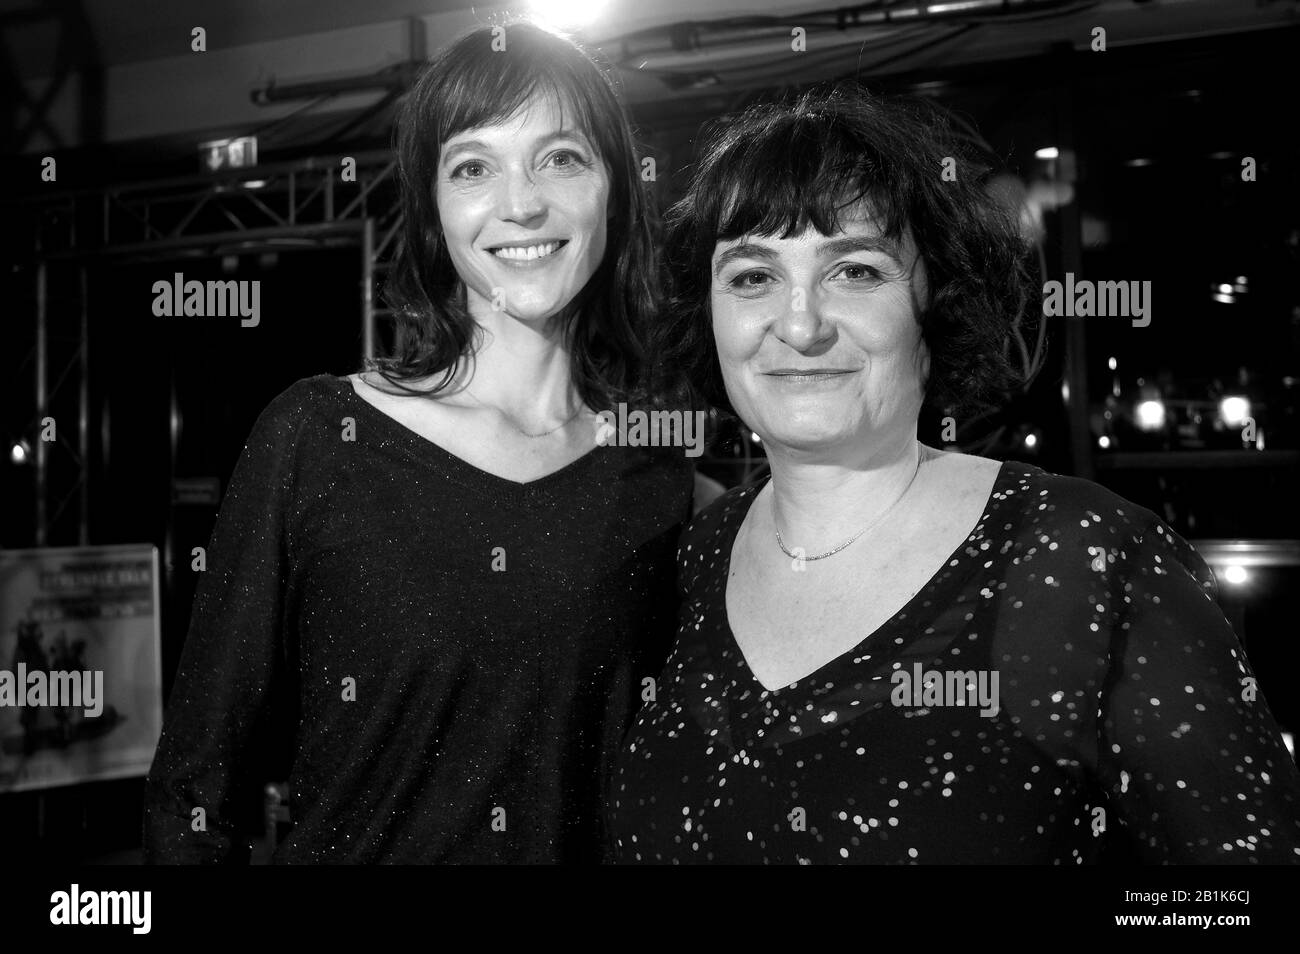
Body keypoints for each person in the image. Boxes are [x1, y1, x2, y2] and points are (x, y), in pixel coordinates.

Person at [606, 87, 1300, 864]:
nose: (799, 324)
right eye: (752, 277)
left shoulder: (1085, 556)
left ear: (936, 309)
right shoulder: (688, 561)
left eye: (856, 272)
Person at [144, 20, 693, 864]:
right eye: (474, 166)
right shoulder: (319, 438)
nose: (521, 203)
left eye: (562, 158)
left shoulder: (658, 483)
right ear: (434, 212)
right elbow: (193, 792)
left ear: (615, 191)